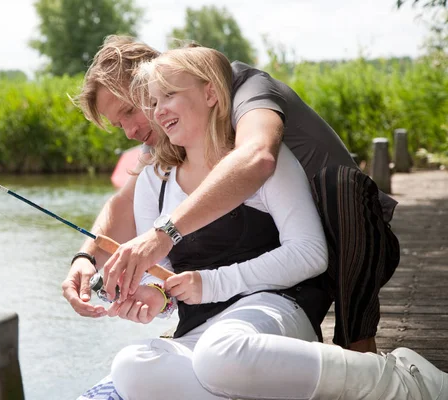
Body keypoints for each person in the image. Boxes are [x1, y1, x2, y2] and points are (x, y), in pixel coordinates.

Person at [107, 46, 447, 400]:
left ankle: (403, 379)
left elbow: (311, 254)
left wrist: (211, 284)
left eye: (169, 95)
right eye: (154, 101)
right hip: (202, 330)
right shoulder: (154, 179)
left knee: (220, 355)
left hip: (273, 308)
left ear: (210, 92)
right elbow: (161, 274)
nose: (158, 111)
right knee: (132, 366)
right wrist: (155, 297)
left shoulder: (266, 160)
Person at [63, 35, 400, 352]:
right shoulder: (171, 134)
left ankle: (360, 352)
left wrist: (164, 233)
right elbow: (123, 203)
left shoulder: (245, 88)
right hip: (279, 259)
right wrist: (85, 259)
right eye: (119, 125)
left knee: (339, 186)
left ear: (154, 78)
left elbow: (257, 156)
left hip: (351, 242)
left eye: (129, 112)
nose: (130, 131)